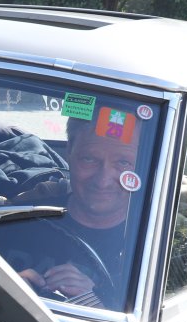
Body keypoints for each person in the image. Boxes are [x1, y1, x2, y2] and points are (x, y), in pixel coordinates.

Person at [10, 110, 142, 307]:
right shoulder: (17, 220)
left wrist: (91, 302)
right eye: (89, 159)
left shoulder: (158, 244)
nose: (103, 181)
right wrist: (7, 290)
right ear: (69, 151)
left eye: (123, 162)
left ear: (144, 165)